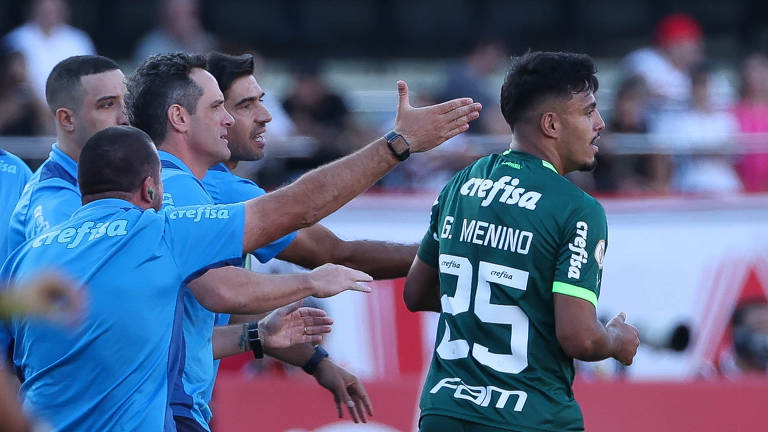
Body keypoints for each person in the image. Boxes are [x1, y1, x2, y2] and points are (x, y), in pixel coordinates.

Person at [125, 51, 481, 431]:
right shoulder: (194, 189)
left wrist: (307, 357)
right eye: (234, 105)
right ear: (181, 117)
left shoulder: (183, 187)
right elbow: (305, 242)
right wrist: (398, 145)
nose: (262, 115)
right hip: (163, 408)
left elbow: (201, 318)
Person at [1, 125, 368, 430]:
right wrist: (397, 144)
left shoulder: (23, 259)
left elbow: (128, 344)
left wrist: (257, 335)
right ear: (150, 188)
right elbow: (297, 207)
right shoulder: (161, 232)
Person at [403, 51, 639, 431]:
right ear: (551, 124)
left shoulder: (461, 184)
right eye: (587, 112)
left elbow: (416, 293)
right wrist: (615, 340)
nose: (600, 123)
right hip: (532, 417)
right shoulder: (577, 208)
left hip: (444, 411)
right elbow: (579, 337)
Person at [202, 51, 421, 426]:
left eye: (261, 101)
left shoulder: (183, 184)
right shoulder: (221, 192)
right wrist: (447, 253)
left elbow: (218, 306)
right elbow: (333, 253)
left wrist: (315, 361)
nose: (266, 116)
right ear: (207, 115)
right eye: (246, 105)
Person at [6, 55, 129, 256]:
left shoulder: (128, 172)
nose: (125, 117)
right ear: (67, 119)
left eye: (128, 101)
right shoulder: (52, 201)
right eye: (107, 104)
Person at [3, 0, 96, 101]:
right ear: (33, 9)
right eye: (44, 9)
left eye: (55, 9)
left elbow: (90, 76)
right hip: (28, 107)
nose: (49, 14)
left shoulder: (79, 39)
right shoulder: (17, 39)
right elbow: (18, 76)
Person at [132, 0, 217, 66]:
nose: (182, 21)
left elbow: (208, 73)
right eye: (176, 14)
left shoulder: (207, 42)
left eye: (187, 13)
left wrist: (191, 39)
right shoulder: (151, 45)